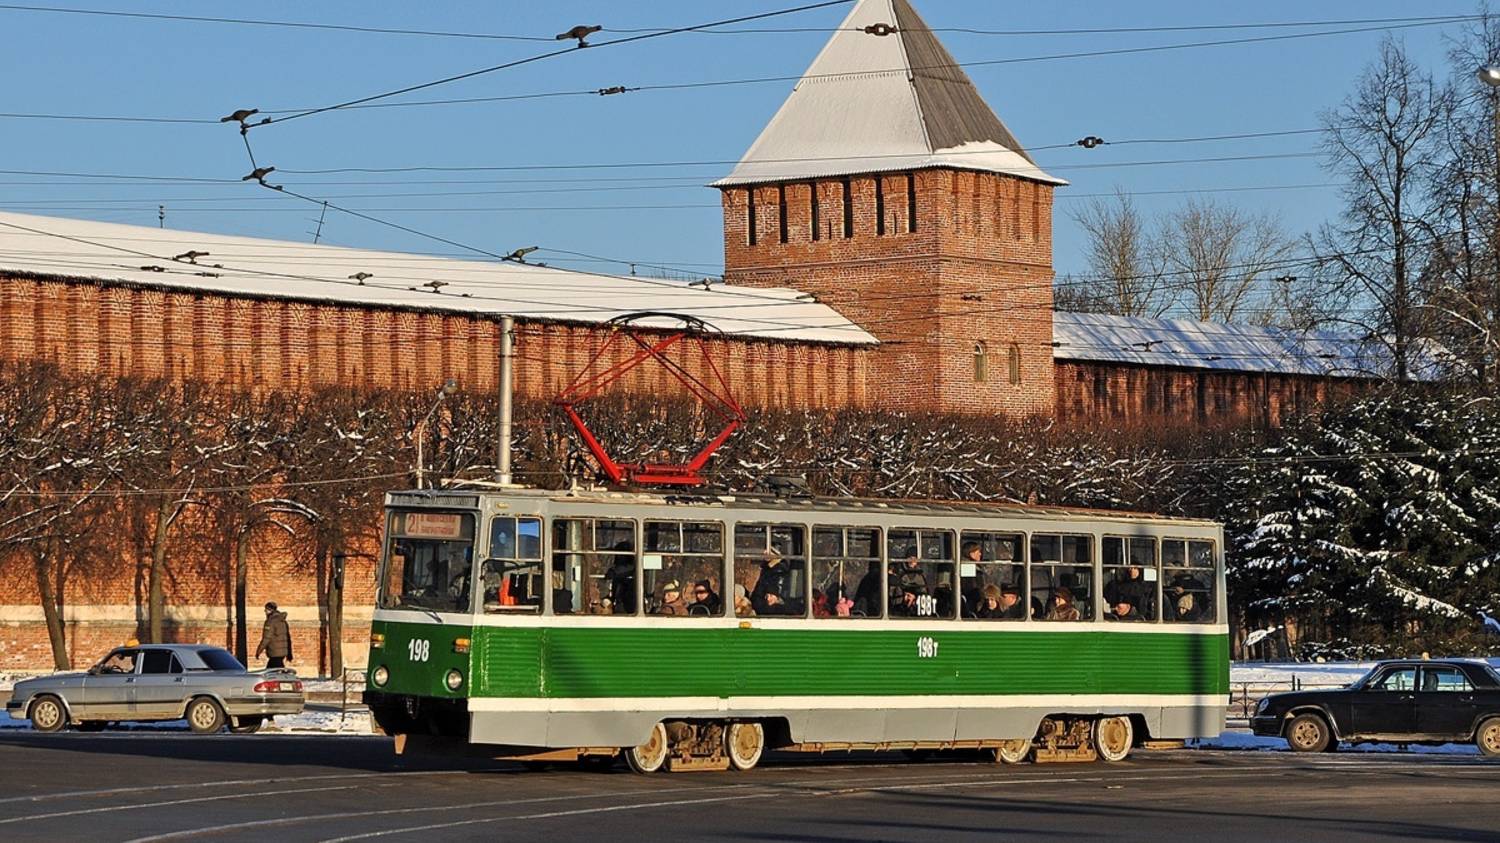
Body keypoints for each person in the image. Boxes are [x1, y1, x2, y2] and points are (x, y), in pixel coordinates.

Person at [750, 549, 797, 615]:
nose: (768, 599)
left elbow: (757, 599)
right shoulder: (768, 570)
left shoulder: (777, 572)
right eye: (767, 596)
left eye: (771, 596)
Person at [255, 602, 292, 669]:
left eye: (266, 609)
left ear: (270, 610)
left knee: (271, 672)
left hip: (274, 652)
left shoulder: (270, 622)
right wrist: (289, 653)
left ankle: (284, 678)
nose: (265, 611)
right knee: (278, 670)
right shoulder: (283, 621)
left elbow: (266, 638)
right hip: (283, 652)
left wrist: (259, 651)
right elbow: (288, 638)